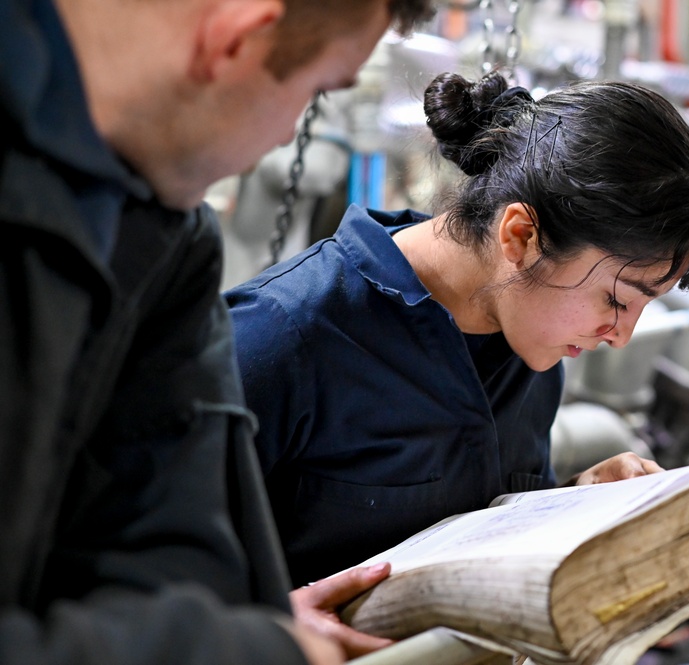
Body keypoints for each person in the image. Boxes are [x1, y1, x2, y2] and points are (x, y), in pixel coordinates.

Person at [1, 0, 432, 663]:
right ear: (235, 38)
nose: (288, 132)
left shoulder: (162, 235)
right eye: (314, 90)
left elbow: (153, 544)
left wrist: (254, 612)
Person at [225, 70, 689, 588]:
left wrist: (575, 498)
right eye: (615, 300)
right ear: (521, 235)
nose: (619, 337)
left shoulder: (531, 347)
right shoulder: (279, 335)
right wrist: (276, 630)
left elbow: (471, 525)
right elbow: (152, 580)